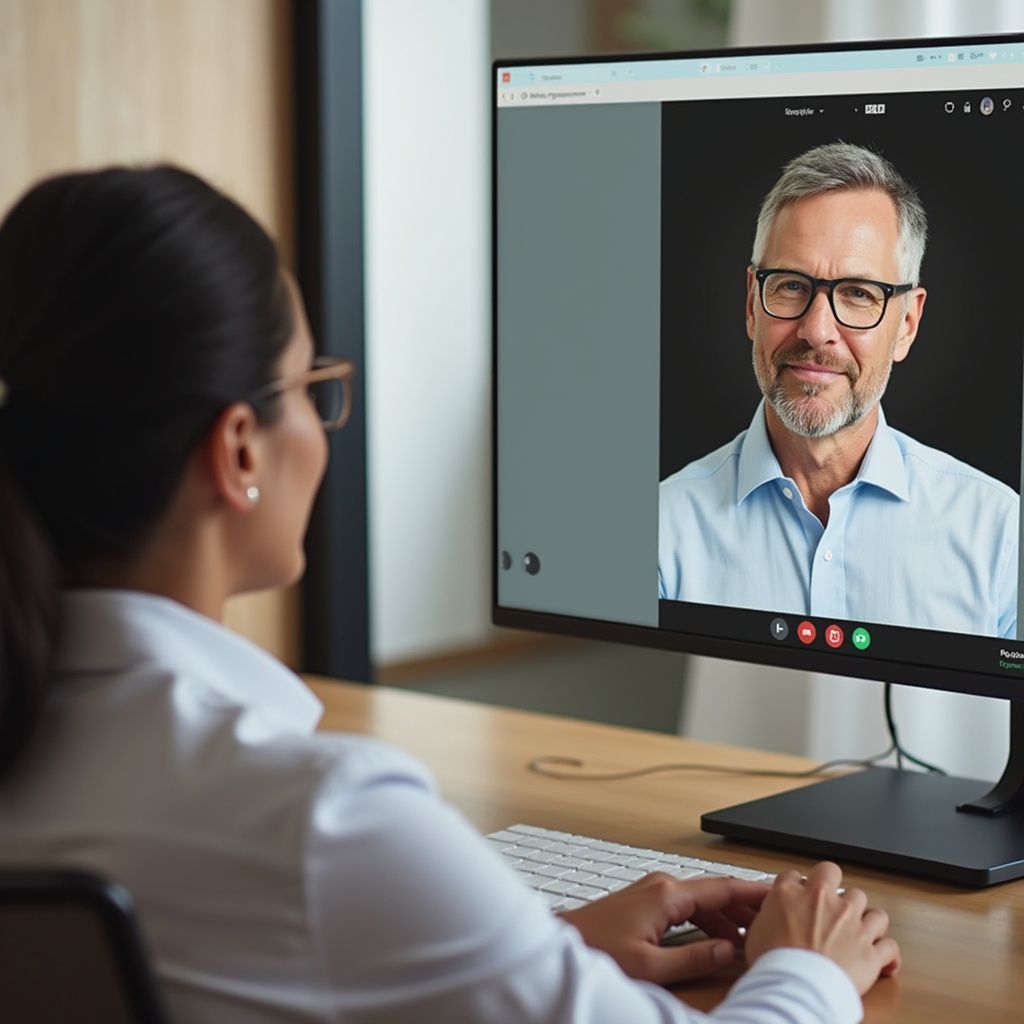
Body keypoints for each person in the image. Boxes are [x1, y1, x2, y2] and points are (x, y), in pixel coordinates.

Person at [0, 165, 898, 1024]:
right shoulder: (321, 819)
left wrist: (528, 954)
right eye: (313, 388)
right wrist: (807, 970)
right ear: (240, 451)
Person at [659, 142, 1018, 638]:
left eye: (857, 293)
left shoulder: (999, 535)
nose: (816, 330)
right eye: (790, 285)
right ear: (750, 304)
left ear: (907, 324)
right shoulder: (662, 531)